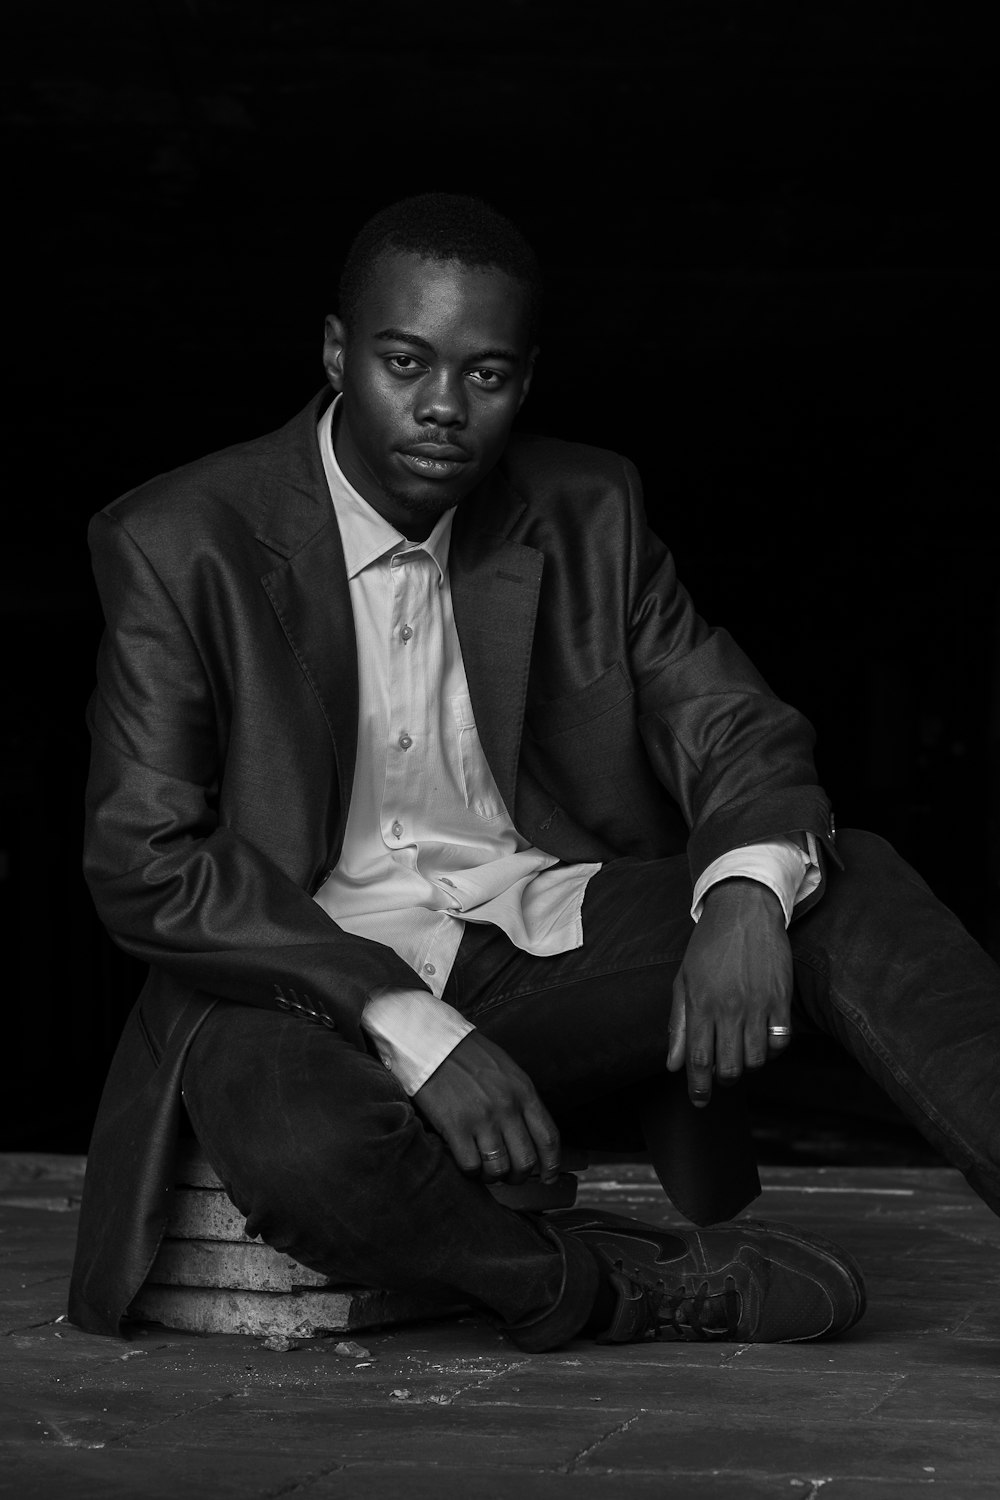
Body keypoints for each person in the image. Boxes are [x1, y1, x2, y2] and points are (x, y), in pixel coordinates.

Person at [70, 193, 1000, 1351]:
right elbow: (144, 860)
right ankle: (615, 1287)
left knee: (841, 879)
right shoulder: (176, 539)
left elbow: (730, 725)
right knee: (299, 1142)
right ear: (333, 351)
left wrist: (746, 897)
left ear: (526, 378)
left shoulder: (587, 509)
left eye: (487, 375)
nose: (443, 409)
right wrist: (407, 1020)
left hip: (534, 944)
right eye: (404, 363)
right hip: (300, 980)